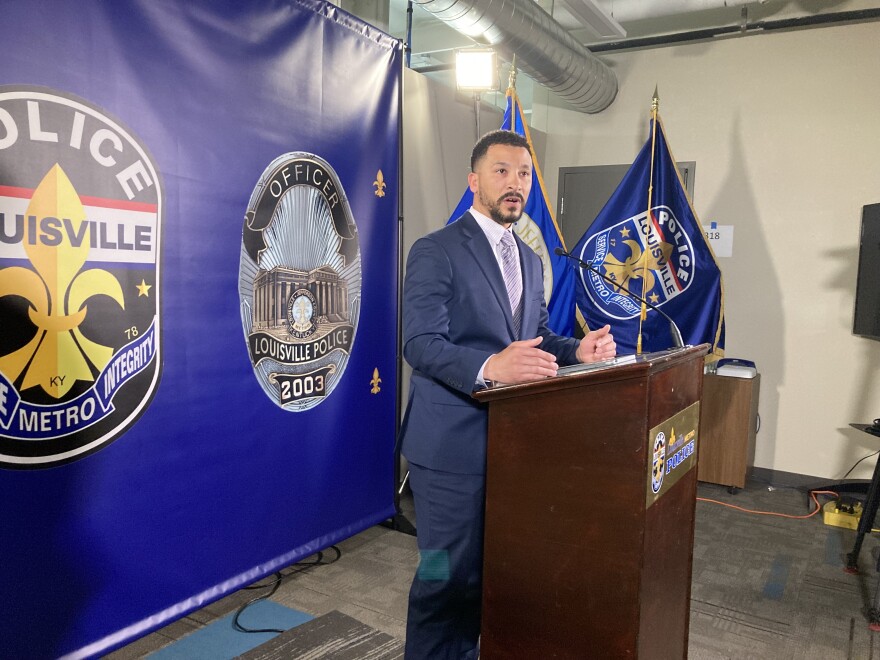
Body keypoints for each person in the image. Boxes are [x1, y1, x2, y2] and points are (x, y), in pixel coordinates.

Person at [399, 129, 616, 659]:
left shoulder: (532, 259)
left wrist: (576, 352)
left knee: (491, 575)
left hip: (516, 450)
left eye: (523, 174)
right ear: (475, 180)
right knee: (441, 578)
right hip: (447, 452)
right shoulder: (436, 250)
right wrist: (489, 366)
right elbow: (419, 344)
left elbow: (537, 337)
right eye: (501, 171)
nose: (515, 184)